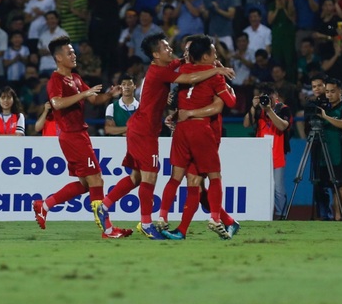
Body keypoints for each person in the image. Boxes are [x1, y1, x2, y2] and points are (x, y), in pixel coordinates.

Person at [92, 32, 235, 240]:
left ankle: (104, 206)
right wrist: (217, 70)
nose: (170, 50)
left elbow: (181, 63)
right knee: (150, 176)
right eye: (165, 48)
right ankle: (147, 223)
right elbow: (189, 77)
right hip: (144, 131)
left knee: (137, 177)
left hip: (140, 128)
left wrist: (188, 58)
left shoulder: (163, 67)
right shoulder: (159, 71)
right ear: (155, 55)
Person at [32, 35, 131, 239]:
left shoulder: (75, 78)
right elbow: (57, 103)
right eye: (69, 53)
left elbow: (94, 99)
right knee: (96, 179)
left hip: (79, 135)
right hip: (72, 135)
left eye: (73, 51)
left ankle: (45, 205)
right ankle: (108, 229)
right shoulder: (55, 80)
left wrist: (110, 95)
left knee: (86, 184)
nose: (74, 55)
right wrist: (83, 95)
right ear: (59, 58)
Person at [160, 35, 239, 240]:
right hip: (201, 131)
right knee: (196, 181)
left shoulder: (188, 71)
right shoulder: (212, 74)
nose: (185, 55)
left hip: (205, 130)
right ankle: (209, 223)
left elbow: (217, 106)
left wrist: (185, 114)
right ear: (205, 55)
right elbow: (226, 102)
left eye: (188, 51)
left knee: (193, 181)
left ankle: (220, 221)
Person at [244, 83, 292, 220]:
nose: (267, 100)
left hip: (277, 153)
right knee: (261, 185)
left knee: (278, 188)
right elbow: (246, 124)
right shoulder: (259, 109)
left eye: (270, 97)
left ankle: (281, 215)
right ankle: (262, 213)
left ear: (276, 96)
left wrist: (269, 110)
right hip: (260, 155)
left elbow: (283, 126)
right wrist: (253, 107)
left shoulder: (283, 109)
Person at [317, 77, 342, 221]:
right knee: (334, 185)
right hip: (329, 153)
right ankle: (338, 216)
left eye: (332, 91)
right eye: (327, 91)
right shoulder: (328, 108)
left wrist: (326, 117)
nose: (329, 95)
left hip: (341, 152)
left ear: (340, 91)